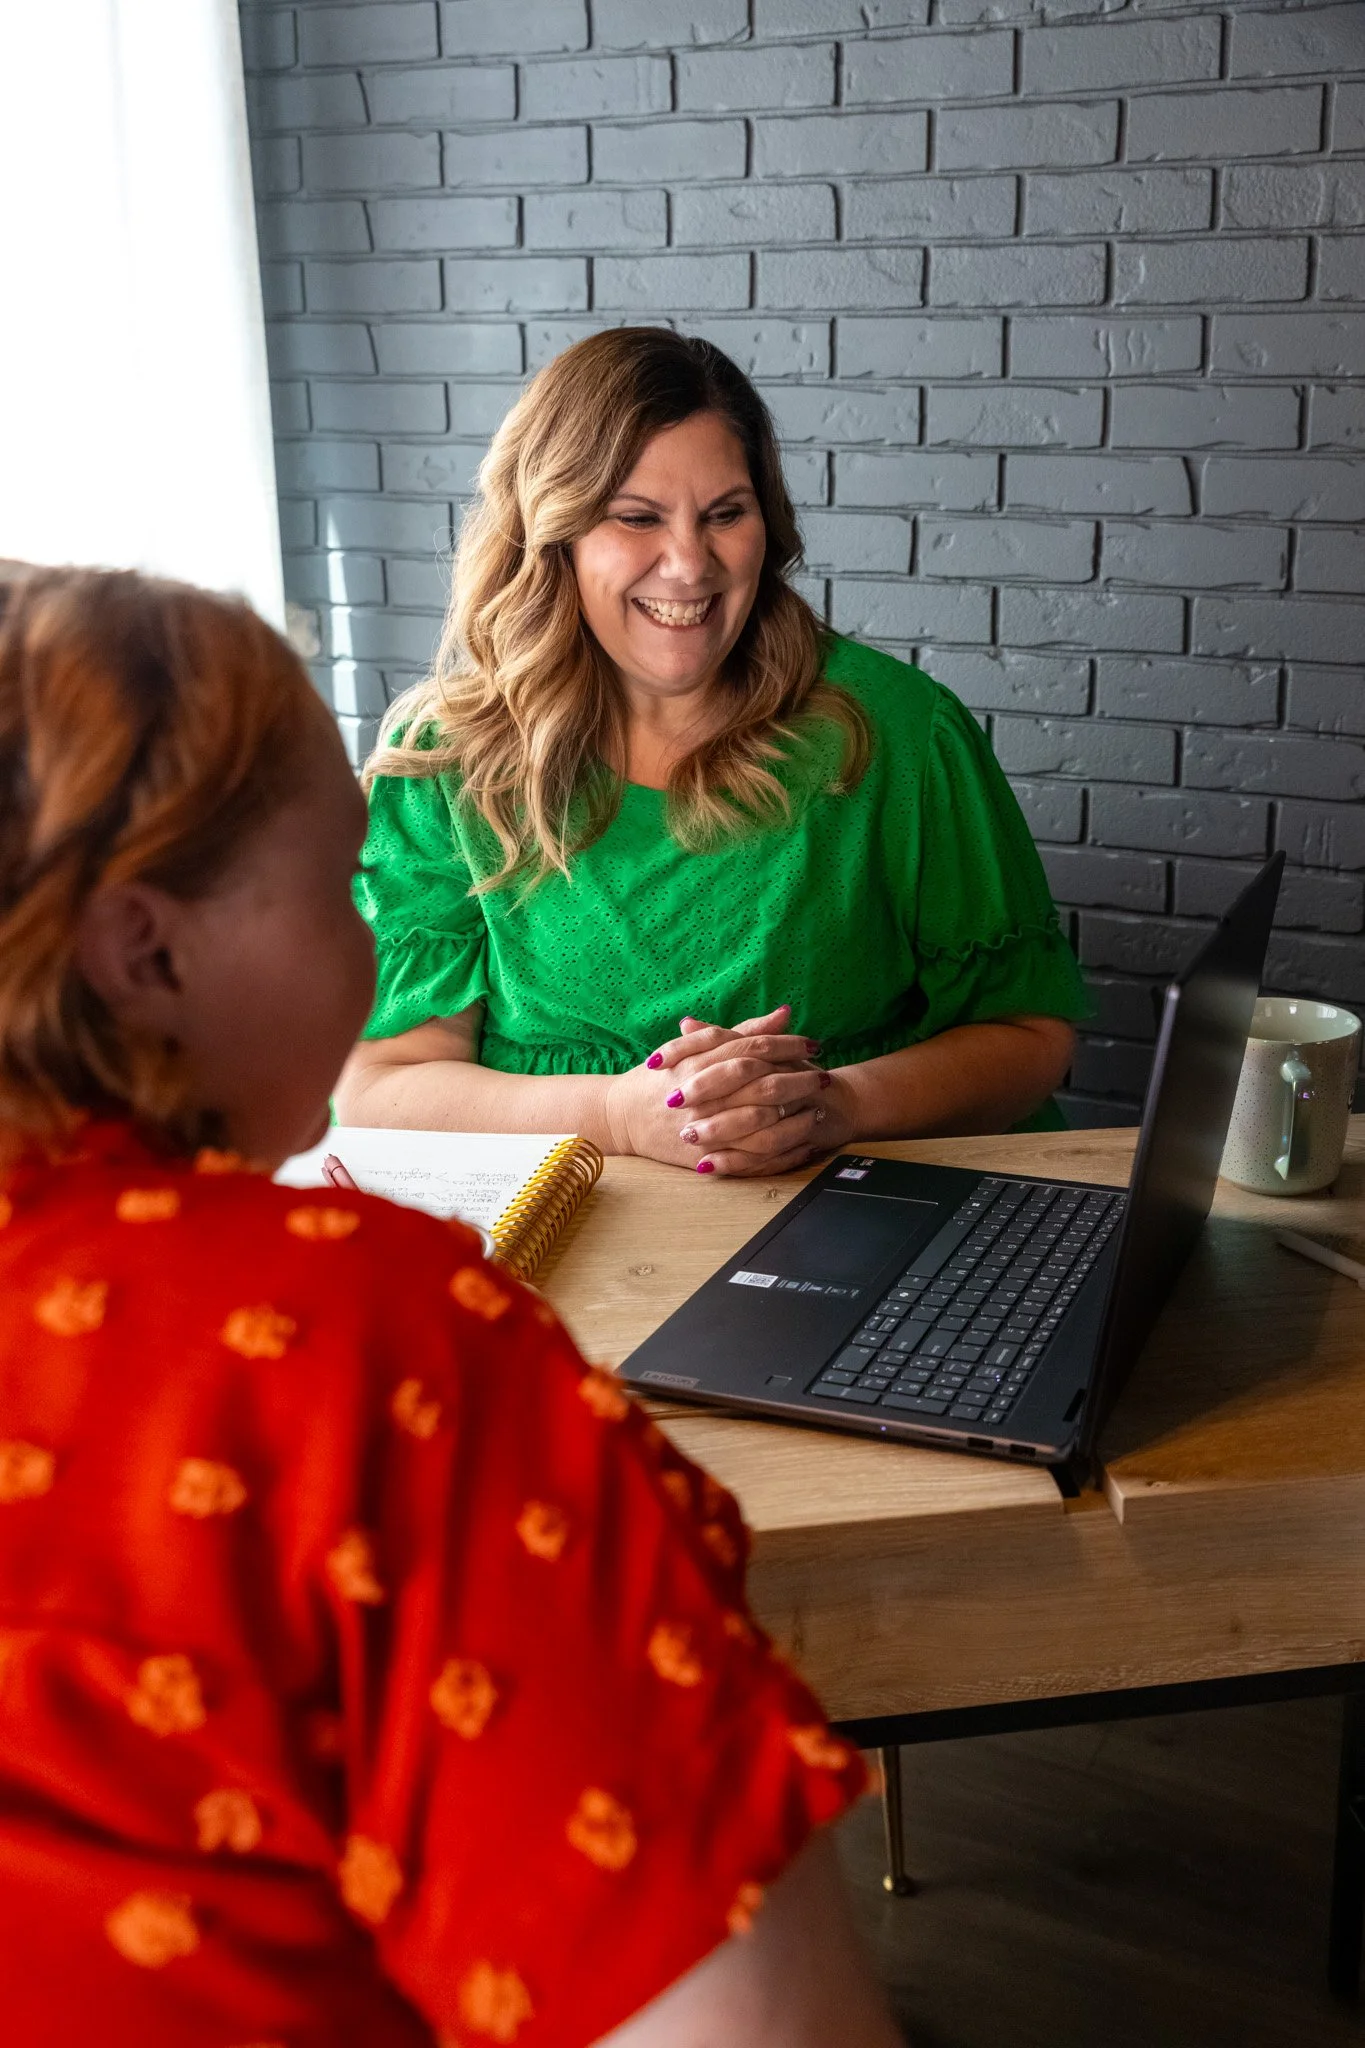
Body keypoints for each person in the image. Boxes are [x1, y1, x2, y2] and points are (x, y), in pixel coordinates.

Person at [0, 566, 902, 2047]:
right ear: (147, 951)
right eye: (341, 886)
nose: (377, 944)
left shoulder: (885, 739)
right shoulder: (365, 1348)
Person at [338, 327, 1087, 1178]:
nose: (689, 565)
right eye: (636, 518)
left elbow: (1030, 1041)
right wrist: (616, 1115)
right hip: (568, 1223)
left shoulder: (906, 733)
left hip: (867, 1209)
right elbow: (381, 1087)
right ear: (552, 534)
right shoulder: (446, 756)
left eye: (725, 514)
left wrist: (835, 1105)